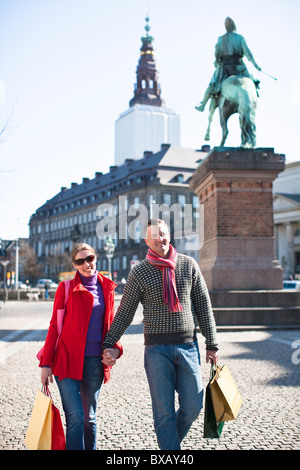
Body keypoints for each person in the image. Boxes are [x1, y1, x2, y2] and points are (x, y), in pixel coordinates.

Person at [102, 219, 218, 450]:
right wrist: (108, 343)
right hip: (156, 351)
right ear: (147, 241)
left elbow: (203, 306)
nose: (160, 239)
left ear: (169, 235)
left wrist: (212, 343)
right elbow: (125, 313)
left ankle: (168, 443)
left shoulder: (188, 265)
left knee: (193, 405)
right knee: (163, 412)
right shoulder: (139, 272)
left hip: (188, 346)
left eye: (163, 234)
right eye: (154, 236)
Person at [39, 242, 122, 450]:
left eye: (90, 258)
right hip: (66, 362)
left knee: (89, 418)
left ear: (95, 258)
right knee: (75, 417)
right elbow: (54, 327)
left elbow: (112, 326)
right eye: (80, 261)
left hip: (94, 362)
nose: (87, 264)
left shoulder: (107, 288)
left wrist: (116, 350)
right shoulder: (65, 289)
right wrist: (45, 363)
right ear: (75, 265)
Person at [196, 17, 261, 113]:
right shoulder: (240, 38)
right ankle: (253, 100)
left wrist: (217, 61)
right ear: (234, 26)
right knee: (251, 83)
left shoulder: (221, 39)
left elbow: (217, 54)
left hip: (225, 68)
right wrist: (256, 65)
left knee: (213, 84)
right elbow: (248, 54)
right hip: (239, 67)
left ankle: (203, 105)